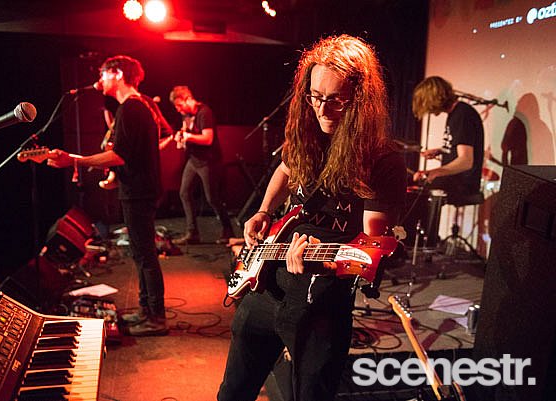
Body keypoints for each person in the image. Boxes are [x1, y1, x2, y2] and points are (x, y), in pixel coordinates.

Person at [217, 35, 406, 401]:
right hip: (267, 285)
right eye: (315, 97)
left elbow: (369, 250)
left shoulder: (382, 161)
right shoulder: (308, 134)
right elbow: (285, 169)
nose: (322, 109)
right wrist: (264, 211)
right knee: (232, 393)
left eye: (335, 99)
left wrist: (324, 260)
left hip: (322, 305)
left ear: (361, 101)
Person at [47, 55, 170, 336]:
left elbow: (119, 155)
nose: (99, 80)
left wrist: (74, 160)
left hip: (139, 193)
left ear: (117, 74)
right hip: (139, 190)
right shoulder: (137, 106)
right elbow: (133, 155)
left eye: (103, 73)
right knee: (141, 254)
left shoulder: (131, 107)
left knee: (145, 255)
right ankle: (147, 311)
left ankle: (156, 318)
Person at [169, 85, 234, 245]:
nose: (178, 109)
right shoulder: (186, 115)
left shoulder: (204, 112)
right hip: (194, 160)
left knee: (212, 198)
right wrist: (181, 139)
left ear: (188, 99)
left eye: (179, 105)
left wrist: (188, 137)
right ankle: (192, 233)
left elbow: (208, 138)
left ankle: (228, 230)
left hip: (208, 162)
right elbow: (185, 134)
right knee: (184, 193)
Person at [412, 76, 484, 198]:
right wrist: (441, 150)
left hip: (462, 184)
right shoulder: (456, 113)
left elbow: (466, 161)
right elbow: (460, 145)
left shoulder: (462, 114)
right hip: (455, 180)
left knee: (413, 192)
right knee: (412, 184)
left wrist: (436, 172)